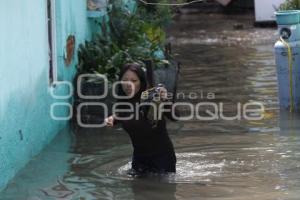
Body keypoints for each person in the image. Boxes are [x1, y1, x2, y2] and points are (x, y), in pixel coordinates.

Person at [105, 63, 177, 175]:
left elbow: (175, 116)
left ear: (141, 82)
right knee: (138, 191)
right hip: (139, 160)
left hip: (162, 159)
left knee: (162, 191)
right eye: (125, 80)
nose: (129, 84)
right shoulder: (123, 103)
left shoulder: (152, 98)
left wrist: (165, 100)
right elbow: (125, 114)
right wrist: (112, 118)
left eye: (134, 81)